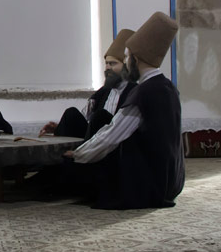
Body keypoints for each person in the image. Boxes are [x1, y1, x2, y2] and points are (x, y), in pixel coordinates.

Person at [60, 12, 184, 209]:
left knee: (108, 150)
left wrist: (79, 155)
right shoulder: (167, 86)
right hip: (171, 182)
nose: (125, 62)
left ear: (136, 58)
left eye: (126, 57)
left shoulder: (144, 92)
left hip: (149, 185)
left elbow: (113, 135)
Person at [39, 29, 136, 140]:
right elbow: (84, 119)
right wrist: (60, 127)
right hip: (92, 138)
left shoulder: (134, 92)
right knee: (70, 114)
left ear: (126, 66)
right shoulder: (103, 92)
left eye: (113, 63)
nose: (108, 68)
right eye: (106, 63)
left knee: (100, 117)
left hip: (117, 140)